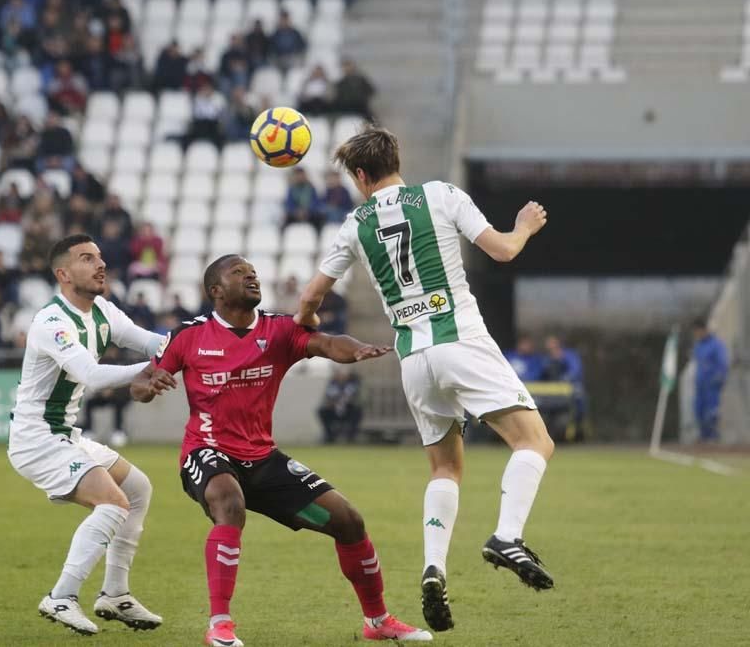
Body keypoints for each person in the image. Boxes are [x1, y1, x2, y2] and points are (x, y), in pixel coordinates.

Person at [294, 126, 555, 634]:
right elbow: (502, 251)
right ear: (396, 160)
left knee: (444, 469)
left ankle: (434, 567)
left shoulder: (355, 224)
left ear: (363, 175)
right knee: (535, 442)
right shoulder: (440, 195)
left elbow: (310, 298)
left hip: (414, 358)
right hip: (461, 341)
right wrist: (523, 226)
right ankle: (506, 536)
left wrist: (307, 324)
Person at [131, 254, 431, 646]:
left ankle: (377, 621)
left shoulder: (277, 330)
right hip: (206, 451)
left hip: (263, 460)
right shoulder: (189, 336)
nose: (251, 275)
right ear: (216, 291)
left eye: (253, 271)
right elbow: (141, 380)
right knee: (228, 502)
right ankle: (220, 626)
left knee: (348, 521)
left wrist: (355, 349)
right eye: (238, 272)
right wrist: (148, 385)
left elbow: (325, 343)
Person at [7, 234, 174, 636]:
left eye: (100, 257)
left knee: (138, 490)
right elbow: (92, 375)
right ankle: (61, 596)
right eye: (87, 259)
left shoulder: (102, 310)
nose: (100, 264)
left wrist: (205, 346)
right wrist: (144, 372)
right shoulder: (51, 322)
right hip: (37, 438)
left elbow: (155, 343)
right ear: (64, 274)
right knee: (113, 503)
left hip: (65, 435)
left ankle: (115, 594)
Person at [691, 319, 728, 442]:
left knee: (711, 412)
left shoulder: (716, 345)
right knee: (698, 411)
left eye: (698, 331)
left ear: (704, 330)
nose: (697, 334)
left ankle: (713, 437)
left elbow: (722, 363)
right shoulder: (698, 346)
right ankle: (703, 436)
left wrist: (719, 378)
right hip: (700, 384)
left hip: (712, 383)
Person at [318, 367, 363, 443]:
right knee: (322, 411)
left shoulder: (353, 384)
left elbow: (356, 398)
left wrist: (347, 401)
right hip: (334, 410)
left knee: (357, 411)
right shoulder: (332, 384)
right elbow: (328, 397)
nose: (341, 377)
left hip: (349, 409)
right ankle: (329, 436)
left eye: (344, 375)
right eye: (340, 374)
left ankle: (351, 437)